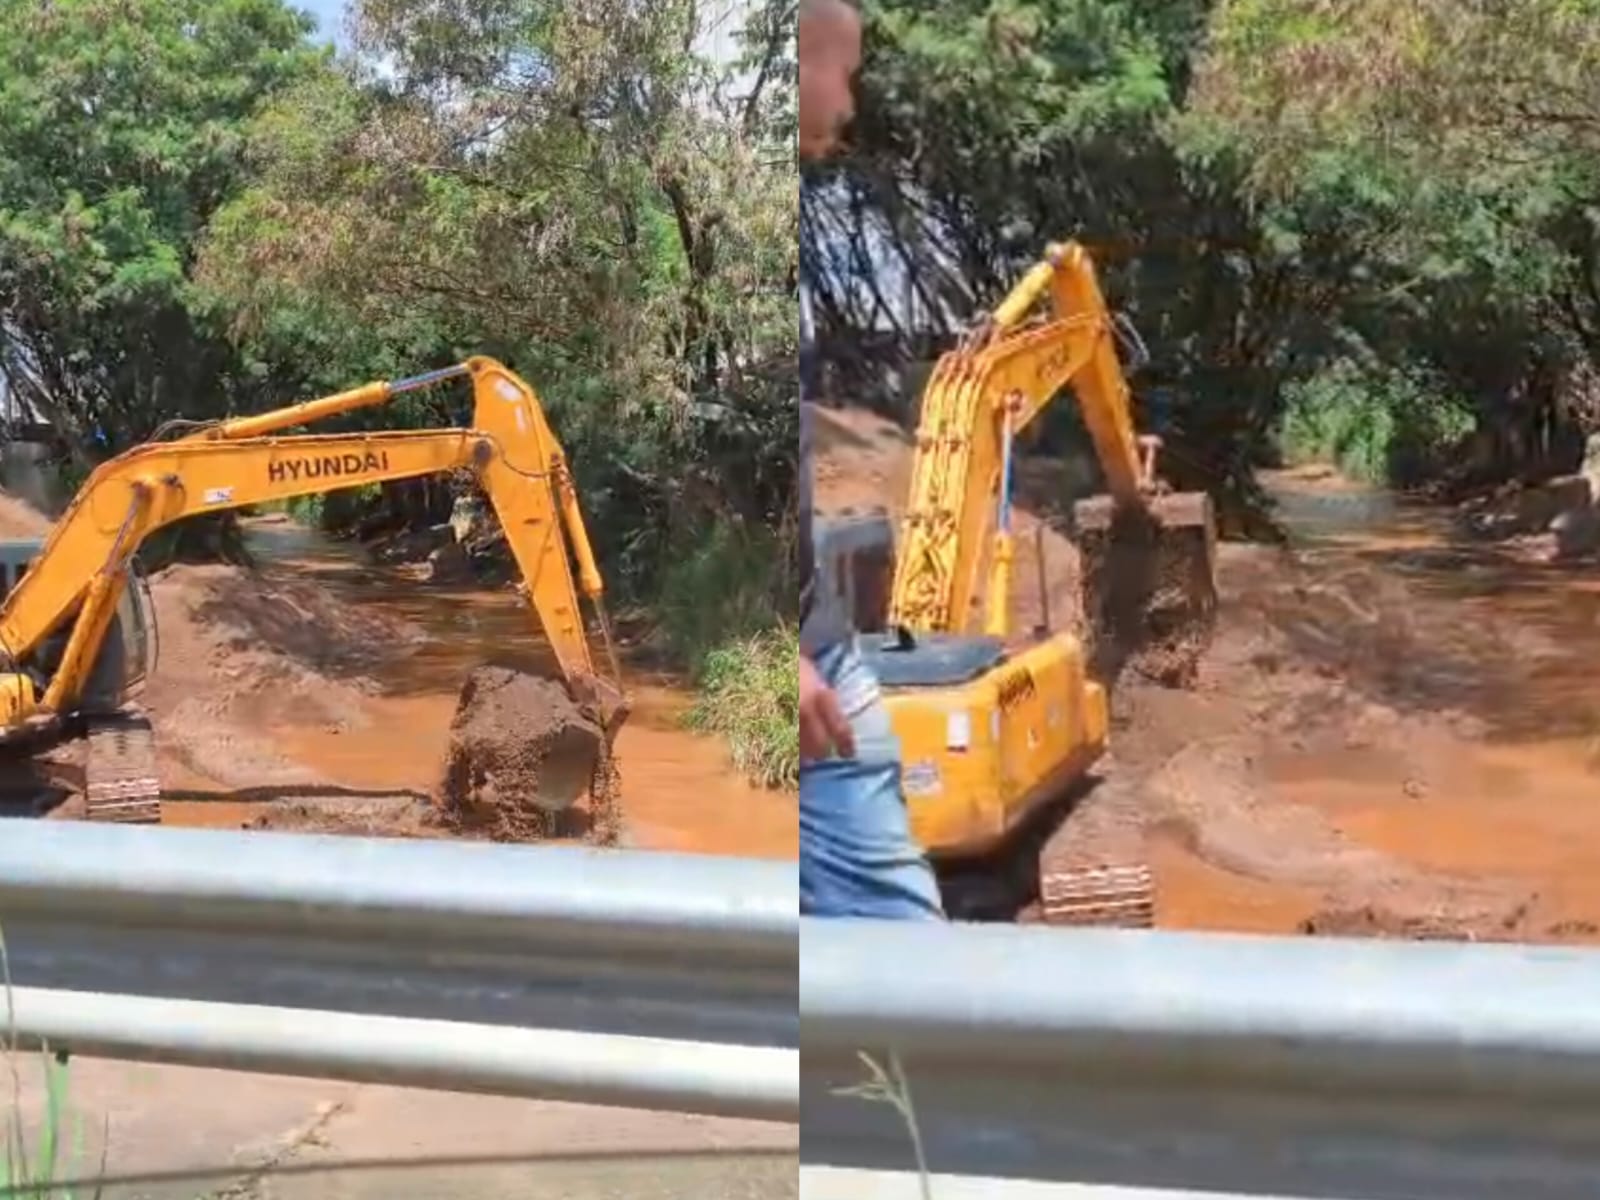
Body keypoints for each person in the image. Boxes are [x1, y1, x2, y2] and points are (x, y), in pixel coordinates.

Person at [798, 0, 944, 920]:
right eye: (842, 72)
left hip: (827, 656)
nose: (849, 103)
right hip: (812, 670)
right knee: (894, 963)